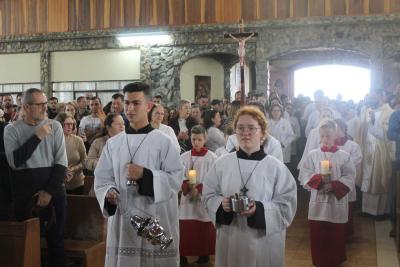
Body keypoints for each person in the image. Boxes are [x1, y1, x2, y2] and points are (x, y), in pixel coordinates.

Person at [94, 82, 184, 267]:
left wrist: (145, 175)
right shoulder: (114, 143)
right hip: (123, 219)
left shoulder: (164, 142)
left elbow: (176, 179)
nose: (130, 108)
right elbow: (102, 178)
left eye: (136, 103)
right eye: (127, 103)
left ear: (148, 106)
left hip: (155, 217)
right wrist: (109, 193)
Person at [202, 106, 297, 267]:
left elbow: (287, 205)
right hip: (231, 237)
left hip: (262, 241)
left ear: (262, 132)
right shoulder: (222, 164)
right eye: (240, 128)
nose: (245, 132)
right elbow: (208, 196)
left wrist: (258, 210)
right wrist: (221, 205)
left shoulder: (276, 168)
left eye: (252, 128)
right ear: (235, 132)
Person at [4, 88, 68, 266]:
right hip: (25, 195)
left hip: (54, 192)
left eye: (45, 104)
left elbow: (62, 164)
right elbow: (15, 162)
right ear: (26, 106)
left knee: (56, 243)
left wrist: (48, 192)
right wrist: (37, 137)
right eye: (40, 104)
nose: (44, 108)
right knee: (27, 246)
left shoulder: (55, 126)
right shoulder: (12, 130)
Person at [299, 119, 356, 267]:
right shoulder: (312, 155)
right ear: (319, 136)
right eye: (322, 136)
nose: (325, 139)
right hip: (318, 201)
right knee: (318, 235)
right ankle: (319, 261)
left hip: (336, 202)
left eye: (328, 136)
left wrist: (334, 185)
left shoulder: (344, 156)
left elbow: (350, 176)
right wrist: (319, 181)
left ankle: (334, 261)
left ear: (335, 136)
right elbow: (305, 173)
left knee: (335, 236)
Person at [179, 125, 217, 266]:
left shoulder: (212, 158)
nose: (196, 142)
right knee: (186, 229)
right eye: (194, 139)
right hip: (187, 198)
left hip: (203, 198)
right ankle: (182, 255)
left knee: (203, 227)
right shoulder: (184, 157)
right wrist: (187, 185)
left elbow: (214, 180)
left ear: (205, 139)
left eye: (199, 139)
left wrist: (199, 188)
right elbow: (178, 176)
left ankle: (203, 254)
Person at [359, 90, 394, 218]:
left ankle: (379, 212)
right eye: (369, 98)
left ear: (381, 97)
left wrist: (373, 122)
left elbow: (388, 135)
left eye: (373, 97)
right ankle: (366, 209)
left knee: (379, 179)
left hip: (381, 151)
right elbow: (362, 129)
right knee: (367, 178)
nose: (370, 100)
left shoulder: (389, 113)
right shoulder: (367, 110)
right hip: (367, 149)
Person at [334, 118, 362, 239]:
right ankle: (335, 232)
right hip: (333, 180)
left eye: (338, 128)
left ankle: (346, 233)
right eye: (334, 129)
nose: (336, 131)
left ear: (344, 129)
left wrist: (342, 165)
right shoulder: (328, 144)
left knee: (347, 208)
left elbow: (358, 158)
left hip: (346, 181)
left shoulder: (352, 145)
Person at [55, 112, 87, 195]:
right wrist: (63, 171)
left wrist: (73, 169)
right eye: (67, 124)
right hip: (57, 183)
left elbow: (85, 161)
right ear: (60, 124)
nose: (70, 127)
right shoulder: (53, 141)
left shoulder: (78, 140)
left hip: (77, 184)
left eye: (72, 124)